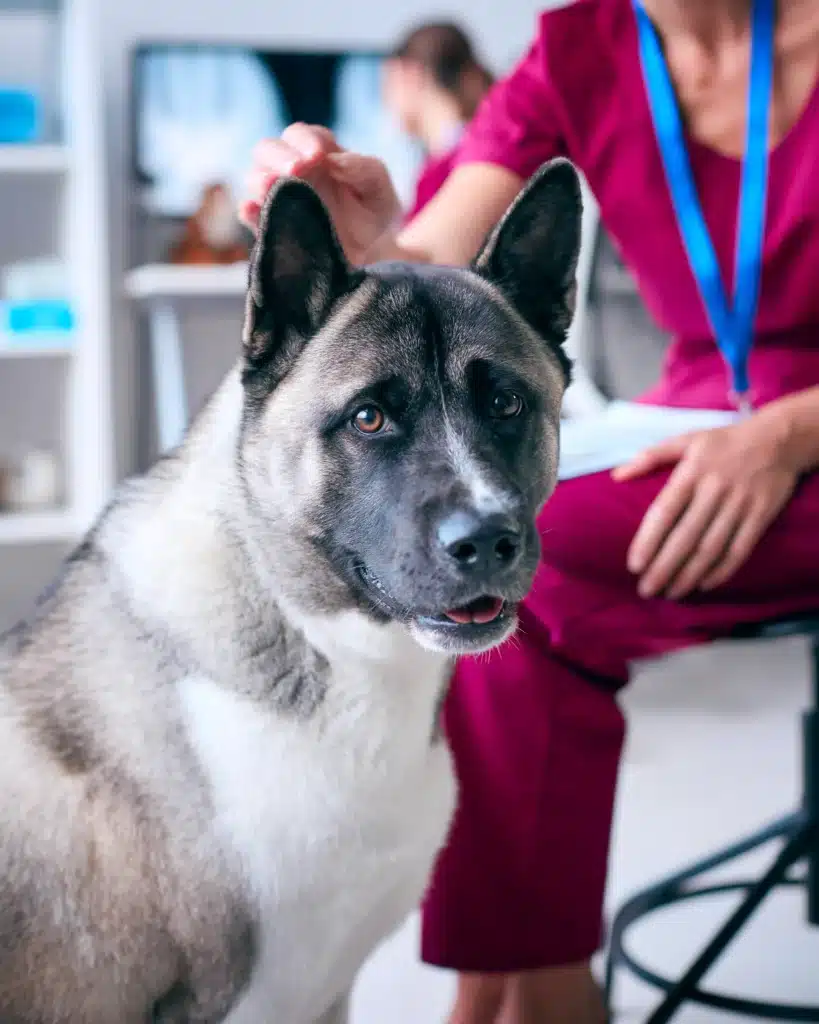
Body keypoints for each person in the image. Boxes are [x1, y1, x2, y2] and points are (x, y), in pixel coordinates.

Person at [241, 0, 819, 1020]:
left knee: (524, 566)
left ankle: (518, 994)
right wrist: (365, 231)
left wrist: (784, 435)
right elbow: (428, 260)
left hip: (793, 424)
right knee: (497, 560)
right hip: (686, 422)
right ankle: (533, 985)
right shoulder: (580, 46)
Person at [381, 22, 493, 220]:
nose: (386, 101)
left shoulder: (446, 171)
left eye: (386, 85)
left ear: (408, 75)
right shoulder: (481, 149)